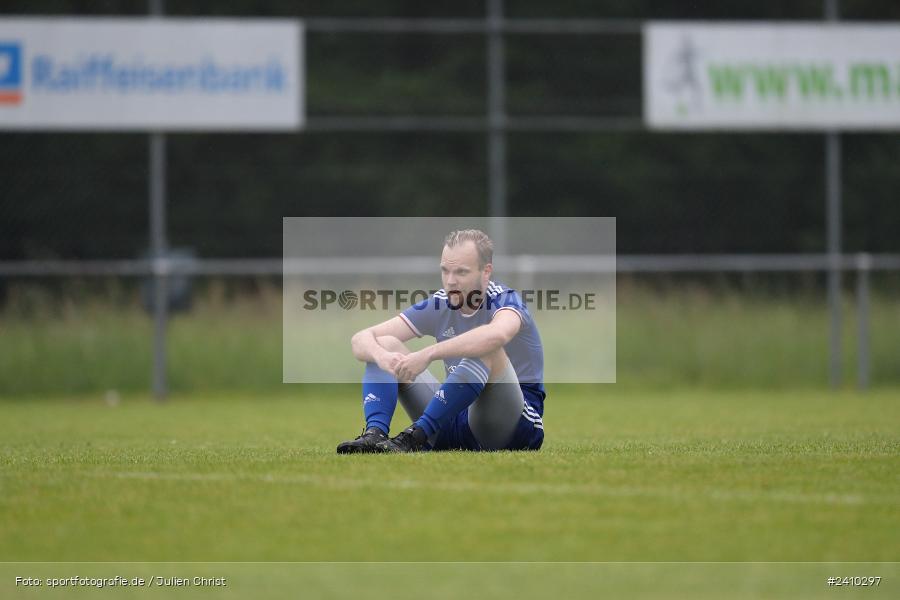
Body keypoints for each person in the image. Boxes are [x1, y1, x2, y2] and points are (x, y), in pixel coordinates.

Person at [337, 229, 545, 453]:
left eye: (461, 272)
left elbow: (496, 336)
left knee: (489, 348)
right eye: (445, 271)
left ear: (486, 272)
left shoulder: (505, 299)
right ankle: (374, 435)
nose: (450, 281)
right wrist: (383, 357)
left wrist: (427, 354)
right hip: (453, 418)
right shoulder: (440, 302)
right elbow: (361, 339)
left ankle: (414, 437)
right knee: (384, 343)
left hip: (512, 428)